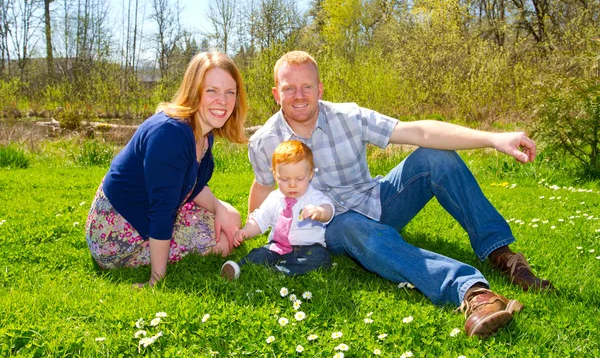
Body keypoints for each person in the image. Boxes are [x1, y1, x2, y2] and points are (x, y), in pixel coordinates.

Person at [247, 50, 552, 338]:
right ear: (276, 94)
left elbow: (419, 132)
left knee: (436, 157)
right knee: (352, 225)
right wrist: (256, 235)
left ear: (320, 88)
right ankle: (471, 290)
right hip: (330, 226)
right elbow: (262, 185)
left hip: (377, 201)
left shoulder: (348, 116)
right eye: (289, 88)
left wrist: (493, 138)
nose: (299, 96)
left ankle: (501, 253)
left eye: (307, 86)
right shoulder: (265, 141)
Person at [85, 51, 248, 288]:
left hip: (146, 212)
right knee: (224, 243)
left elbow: (191, 185)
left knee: (231, 216)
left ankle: (215, 222)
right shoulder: (170, 134)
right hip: (117, 233)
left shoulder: (203, 132)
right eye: (211, 90)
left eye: (230, 92)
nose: (222, 101)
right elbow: (161, 212)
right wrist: (156, 281)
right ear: (194, 91)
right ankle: (152, 262)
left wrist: (218, 208)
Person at [220, 140, 334, 280]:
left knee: (321, 258)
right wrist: (245, 231)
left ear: (310, 175)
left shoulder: (314, 197)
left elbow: (328, 209)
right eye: (284, 179)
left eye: (299, 179)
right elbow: (259, 220)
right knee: (259, 253)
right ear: (275, 175)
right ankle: (237, 267)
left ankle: (279, 271)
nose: (292, 185)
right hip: (277, 246)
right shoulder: (274, 198)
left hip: (308, 247)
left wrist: (319, 212)